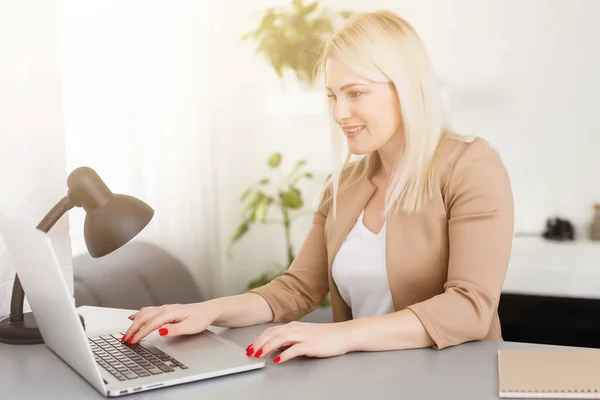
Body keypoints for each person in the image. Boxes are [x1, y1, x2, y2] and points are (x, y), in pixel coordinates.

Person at [122, 10, 514, 364]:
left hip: (454, 379)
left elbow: (470, 308)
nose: (339, 113)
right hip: (367, 379)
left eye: (355, 93)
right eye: (332, 96)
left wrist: (340, 335)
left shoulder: (471, 165)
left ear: (405, 88)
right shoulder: (343, 184)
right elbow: (296, 290)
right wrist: (207, 311)